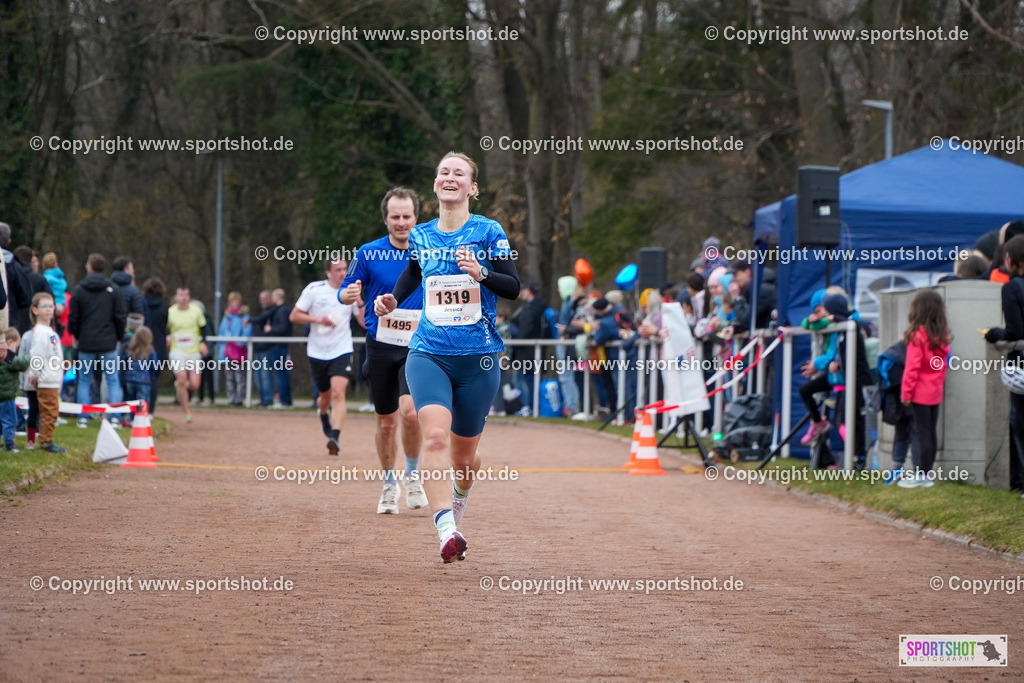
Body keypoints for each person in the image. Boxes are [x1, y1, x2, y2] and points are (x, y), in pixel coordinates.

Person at [373, 151, 521, 563]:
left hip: (479, 359)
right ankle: (445, 529)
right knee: (435, 437)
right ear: (436, 184)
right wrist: (393, 299)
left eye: (459, 173)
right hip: (429, 353)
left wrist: (481, 273)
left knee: (463, 457)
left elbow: (513, 287)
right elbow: (413, 273)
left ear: (473, 187)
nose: (450, 177)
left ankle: (458, 499)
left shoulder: (489, 231)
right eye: (443, 172)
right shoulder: (420, 234)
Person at [339, 188, 426, 513]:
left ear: (416, 217)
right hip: (381, 344)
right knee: (387, 422)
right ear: (386, 219)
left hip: (418, 344)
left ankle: (412, 475)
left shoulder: (429, 249)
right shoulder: (368, 252)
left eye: (407, 216)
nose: (401, 222)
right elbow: (345, 291)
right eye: (395, 216)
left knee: (411, 413)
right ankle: (389, 484)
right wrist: (348, 296)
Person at [290, 259, 364, 455]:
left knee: (339, 393)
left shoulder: (350, 291)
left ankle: (335, 437)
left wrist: (359, 300)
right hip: (317, 351)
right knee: (325, 397)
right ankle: (323, 413)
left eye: (345, 269)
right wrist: (317, 319)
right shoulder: (314, 290)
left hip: (342, 349)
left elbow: (364, 323)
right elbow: (294, 315)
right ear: (328, 272)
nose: (342, 273)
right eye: (338, 270)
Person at [983, 234, 1024, 494]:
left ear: (1010, 259)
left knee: (1020, 422)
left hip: (1021, 363)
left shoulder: (1011, 288)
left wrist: (993, 333)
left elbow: (1014, 332)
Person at [898, 290, 951, 488]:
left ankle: (921, 475)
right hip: (935, 392)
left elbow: (911, 368)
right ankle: (927, 474)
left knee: (922, 434)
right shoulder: (941, 338)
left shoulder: (917, 337)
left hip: (919, 393)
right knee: (931, 433)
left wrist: (906, 393)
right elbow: (941, 367)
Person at [68, 253, 127, 428]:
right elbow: (120, 317)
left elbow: (74, 318)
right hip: (108, 343)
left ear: (89, 268)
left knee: (84, 380)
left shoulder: (79, 290)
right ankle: (115, 417)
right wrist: (118, 336)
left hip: (86, 343)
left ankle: (83, 418)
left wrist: (77, 335)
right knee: (112, 379)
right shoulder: (113, 290)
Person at [26, 292, 66, 453]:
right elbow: (37, 355)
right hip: (46, 378)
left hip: (53, 378)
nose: (49, 309)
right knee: (49, 412)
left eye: (51, 306)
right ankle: (46, 442)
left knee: (52, 411)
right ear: (35, 310)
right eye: (44, 306)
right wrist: (35, 374)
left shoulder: (50, 331)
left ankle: (46, 439)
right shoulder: (41, 332)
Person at [166, 286, 207, 423]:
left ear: (189, 297)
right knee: (182, 380)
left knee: (194, 385)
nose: (184, 298)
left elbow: (204, 328)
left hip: (193, 352)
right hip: (177, 351)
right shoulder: (170, 312)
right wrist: (167, 336)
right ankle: (187, 412)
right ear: (176, 297)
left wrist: (203, 342)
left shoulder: (196, 310)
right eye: (181, 295)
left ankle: (180, 386)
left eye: (186, 295)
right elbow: (164, 328)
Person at [218, 292, 251, 407]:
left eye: (237, 301)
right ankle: (231, 398)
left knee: (239, 376)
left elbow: (247, 331)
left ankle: (239, 398)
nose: (235, 303)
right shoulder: (226, 317)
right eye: (233, 301)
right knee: (229, 376)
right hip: (227, 351)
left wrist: (239, 343)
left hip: (238, 351)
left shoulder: (244, 316)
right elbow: (221, 332)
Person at [141, 278, 168, 413]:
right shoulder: (165, 307)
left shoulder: (141, 304)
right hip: (159, 347)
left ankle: (140, 407)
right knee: (154, 380)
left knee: (140, 378)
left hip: (143, 346)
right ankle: (150, 410)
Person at [0, 327, 29, 451]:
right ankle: (9, 444)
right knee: (10, 421)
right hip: (7, 397)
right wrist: (30, 357)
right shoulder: (7, 357)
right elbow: (22, 364)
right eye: (16, 346)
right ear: (10, 342)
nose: (16, 350)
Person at [122, 326, 158, 422]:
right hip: (144, 381)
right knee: (142, 403)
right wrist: (151, 378)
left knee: (132, 402)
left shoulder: (130, 351)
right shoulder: (150, 352)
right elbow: (153, 367)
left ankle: (131, 419)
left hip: (130, 380)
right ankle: (141, 421)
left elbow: (124, 364)